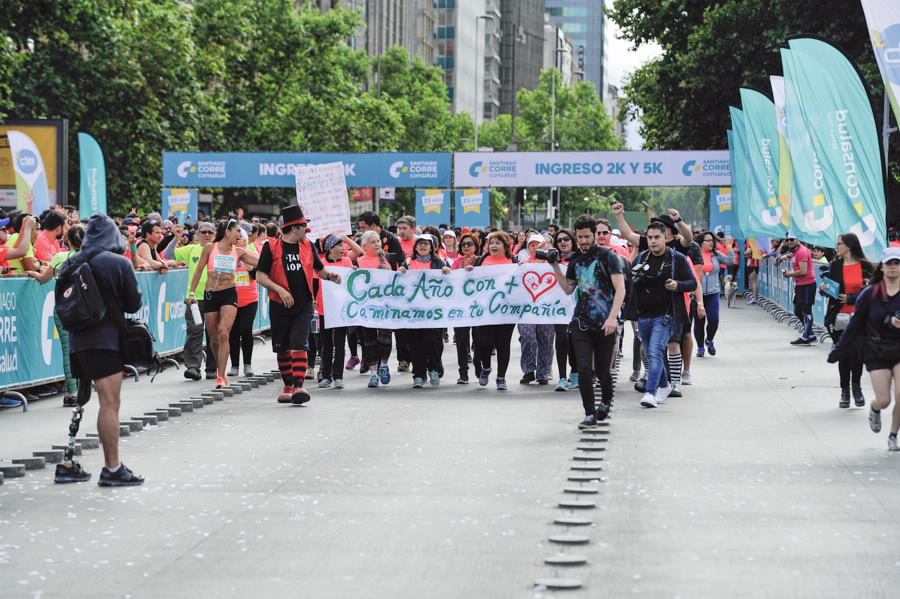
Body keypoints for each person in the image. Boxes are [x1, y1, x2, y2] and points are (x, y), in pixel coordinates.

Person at [55, 214, 144, 486]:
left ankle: (68, 462)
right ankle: (112, 468)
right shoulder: (117, 262)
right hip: (105, 341)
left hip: (77, 341)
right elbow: (133, 303)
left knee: (81, 401)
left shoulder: (71, 261)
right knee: (109, 404)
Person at [255, 205, 342, 404]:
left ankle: (298, 386)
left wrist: (330, 275)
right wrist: (280, 290)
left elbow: (319, 269)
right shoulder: (271, 247)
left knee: (299, 343)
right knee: (282, 347)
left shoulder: (308, 245)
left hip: (303, 304)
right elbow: (260, 276)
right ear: (294, 228)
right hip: (279, 304)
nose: (307, 231)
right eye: (304, 227)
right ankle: (288, 386)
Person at [552, 215, 625, 428]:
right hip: (580, 322)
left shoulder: (607, 256)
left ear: (594, 235)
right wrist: (555, 266)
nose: (583, 241)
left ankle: (606, 401)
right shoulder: (575, 260)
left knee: (603, 371)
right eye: (580, 237)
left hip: (605, 322)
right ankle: (589, 413)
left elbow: (620, 288)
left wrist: (612, 317)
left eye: (587, 236)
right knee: (584, 370)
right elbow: (568, 288)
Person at [828, 247, 900, 451]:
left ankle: (893, 435)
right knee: (884, 400)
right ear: (882, 267)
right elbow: (854, 325)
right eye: (889, 263)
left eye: (897, 263)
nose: (893, 267)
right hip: (877, 350)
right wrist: (837, 351)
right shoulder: (870, 294)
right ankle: (875, 408)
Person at [631, 222, 697, 408]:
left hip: (666, 315)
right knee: (649, 353)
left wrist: (678, 285)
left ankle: (651, 393)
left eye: (657, 237)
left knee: (655, 351)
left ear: (666, 238)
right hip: (643, 315)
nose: (653, 241)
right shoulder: (641, 258)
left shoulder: (677, 258)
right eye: (650, 238)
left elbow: (693, 283)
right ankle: (664, 385)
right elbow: (629, 282)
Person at [187, 219, 258, 389]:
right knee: (214, 337)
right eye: (238, 231)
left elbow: (262, 262)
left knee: (223, 332)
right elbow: (198, 271)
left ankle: (221, 375)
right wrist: (192, 293)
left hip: (229, 294)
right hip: (211, 294)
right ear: (228, 231)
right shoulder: (210, 248)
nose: (241, 235)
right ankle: (221, 367)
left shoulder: (239, 251)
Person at [27, 224, 87, 406]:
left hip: (64, 308)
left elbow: (44, 278)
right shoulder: (90, 258)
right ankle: (76, 389)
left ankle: (72, 392)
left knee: (67, 349)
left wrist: (33, 273)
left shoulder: (61, 257)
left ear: (67, 240)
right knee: (82, 348)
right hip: (86, 308)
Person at [821, 233, 874, 408]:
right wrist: (823, 288)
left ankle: (856, 387)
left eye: (839, 244)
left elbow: (873, 291)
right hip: (838, 317)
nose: (837, 247)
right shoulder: (835, 265)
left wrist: (852, 298)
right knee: (843, 353)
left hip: (859, 317)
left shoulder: (866, 267)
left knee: (856, 354)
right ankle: (845, 391)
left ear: (849, 246)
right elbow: (829, 289)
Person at [465, 231, 517, 390]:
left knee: (503, 344)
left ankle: (501, 377)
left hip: (506, 310)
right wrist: (468, 270)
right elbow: (472, 281)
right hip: (485, 309)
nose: (493, 246)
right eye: (491, 243)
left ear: (505, 246)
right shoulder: (481, 260)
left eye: (498, 243)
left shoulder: (513, 261)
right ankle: (486, 367)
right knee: (484, 342)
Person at [399, 234, 451, 387]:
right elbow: (399, 283)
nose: (423, 246)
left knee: (432, 342)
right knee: (415, 343)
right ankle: (419, 375)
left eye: (426, 244)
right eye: (420, 243)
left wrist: (447, 271)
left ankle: (433, 368)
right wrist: (400, 272)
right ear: (415, 247)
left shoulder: (439, 262)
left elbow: (450, 282)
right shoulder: (408, 263)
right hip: (413, 312)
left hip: (433, 312)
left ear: (431, 247)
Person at [317, 234, 361, 389]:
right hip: (324, 308)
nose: (343, 249)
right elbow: (314, 283)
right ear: (330, 248)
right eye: (340, 245)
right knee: (326, 344)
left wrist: (354, 272)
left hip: (341, 309)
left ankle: (338, 376)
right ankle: (326, 376)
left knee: (340, 343)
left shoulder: (347, 261)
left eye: (343, 245)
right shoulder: (321, 264)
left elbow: (351, 282)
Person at [176, 221, 217, 381]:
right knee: (194, 332)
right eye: (203, 232)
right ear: (197, 234)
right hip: (194, 299)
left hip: (215, 297)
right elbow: (168, 254)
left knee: (213, 333)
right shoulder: (190, 249)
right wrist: (174, 237)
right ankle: (193, 367)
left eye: (210, 232)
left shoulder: (219, 249)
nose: (206, 235)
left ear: (214, 234)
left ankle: (212, 368)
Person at [355, 230, 397, 388]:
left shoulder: (389, 259)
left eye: (378, 241)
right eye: (372, 242)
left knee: (385, 339)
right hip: (367, 307)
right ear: (364, 246)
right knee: (369, 341)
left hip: (386, 306)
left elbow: (398, 280)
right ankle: (373, 374)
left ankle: (384, 365)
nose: (377, 244)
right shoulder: (359, 262)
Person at [518, 233, 556, 385]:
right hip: (527, 309)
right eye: (532, 245)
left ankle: (543, 372)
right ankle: (528, 370)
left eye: (538, 245)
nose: (535, 248)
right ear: (527, 248)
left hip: (547, 309)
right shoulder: (522, 264)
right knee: (527, 337)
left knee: (546, 339)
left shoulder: (552, 264)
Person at [692, 231, 734, 362]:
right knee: (699, 321)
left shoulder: (716, 255)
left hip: (713, 292)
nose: (711, 243)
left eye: (712, 241)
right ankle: (700, 348)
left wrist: (729, 246)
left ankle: (709, 340)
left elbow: (730, 261)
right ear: (701, 243)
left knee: (714, 319)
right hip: (697, 293)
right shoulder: (694, 255)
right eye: (708, 241)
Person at [228, 227, 260, 378]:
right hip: (231, 299)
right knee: (233, 332)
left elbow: (257, 276)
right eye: (237, 239)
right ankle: (234, 365)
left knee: (246, 329)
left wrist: (248, 263)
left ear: (247, 241)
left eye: (242, 239)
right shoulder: (228, 256)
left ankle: (248, 364)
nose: (239, 242)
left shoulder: (253, 255)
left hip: (250, 299)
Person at [451, 233, 482, 384]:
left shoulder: (481, 261)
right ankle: (463, 373)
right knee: (461, 340)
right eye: (463, 244)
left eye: (469, 244)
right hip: (460, 307)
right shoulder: (456, 262)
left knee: (479, 340)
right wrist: (461, 270)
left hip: (478, 308)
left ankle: (478, 364)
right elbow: (451, 282)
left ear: (476, 246)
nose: (466, 246)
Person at [780, 232, 818, 345]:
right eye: (787, 240)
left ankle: (806, 337)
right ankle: (810, 334)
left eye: (792, 239)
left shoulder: (801, 251)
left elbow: (803, 271)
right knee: (797, 310)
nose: (789, 242)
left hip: (807, 284)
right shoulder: (795, 251)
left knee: (806, 311)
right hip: (800, 284)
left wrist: (789, 274)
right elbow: (791, 255)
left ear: (798, 239)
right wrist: (781, 258)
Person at [552, 229, 578, 391]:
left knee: (575, 340)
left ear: (573, 240)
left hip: (577, 306)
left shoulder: (580, 258)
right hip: (558, 307)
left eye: (566, 239)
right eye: (559, 240)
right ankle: (562, 378)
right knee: (561, 339)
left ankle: (575, 373)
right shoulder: (552, 260)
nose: (563, 242)